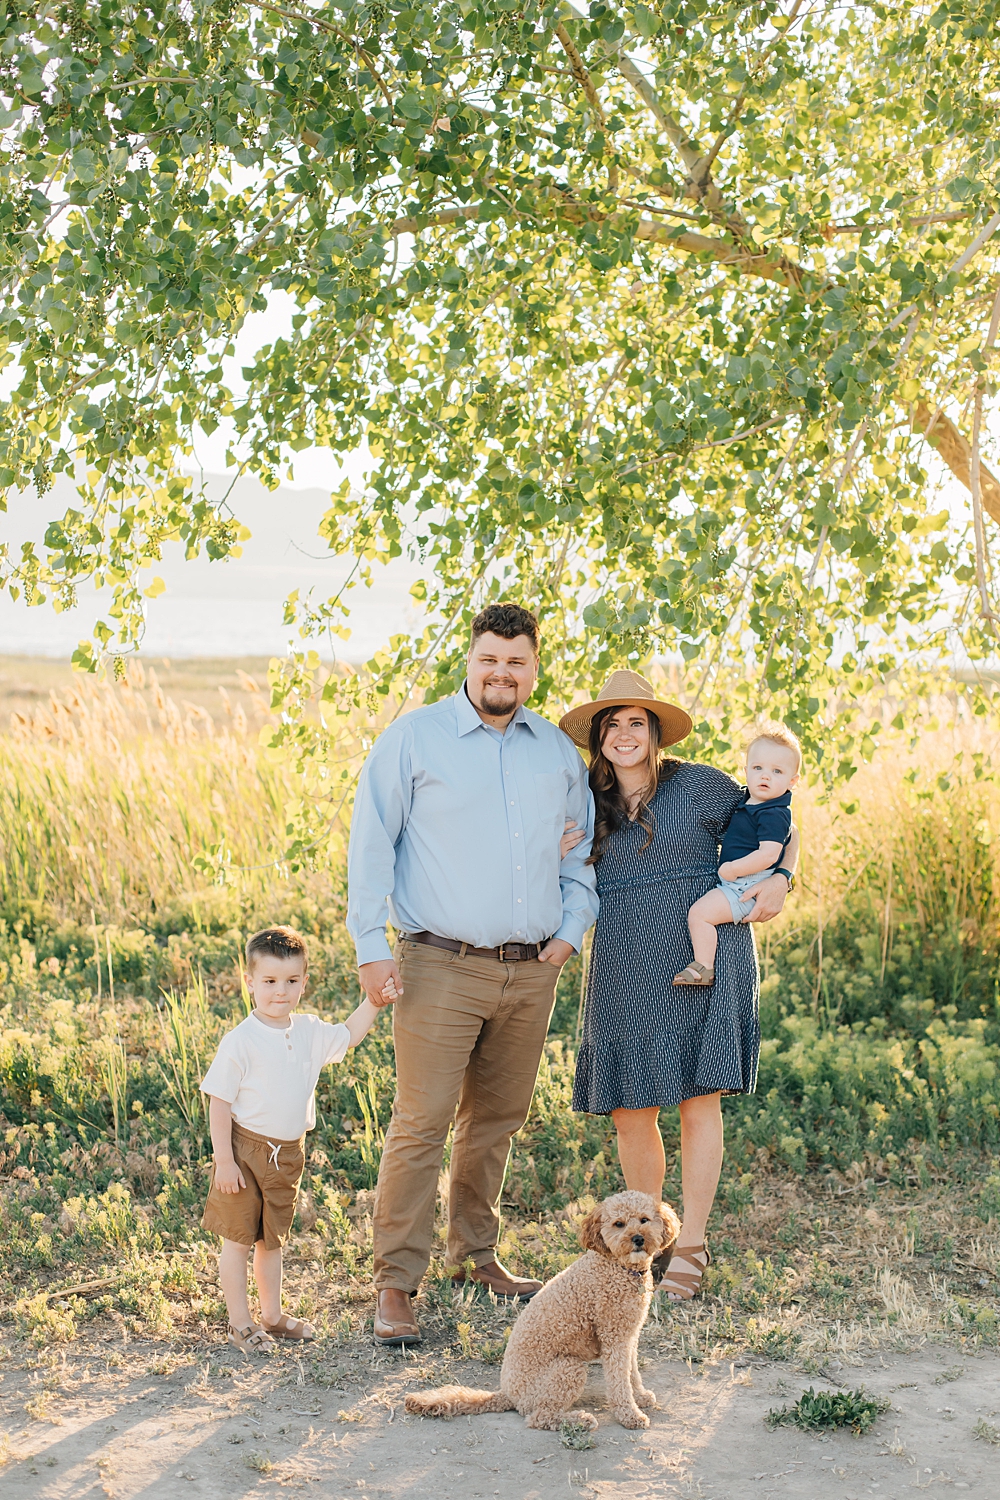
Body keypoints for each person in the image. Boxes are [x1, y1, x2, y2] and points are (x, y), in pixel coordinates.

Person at [347, 602, 598, 1347]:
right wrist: (369, 943)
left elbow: (581, 853)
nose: (501, 673)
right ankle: (396, 1284)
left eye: (516, 662)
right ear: (470, 661)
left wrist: (570, 933)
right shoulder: (414, 738)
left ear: (534, 669)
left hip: (530, 970)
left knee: (495, 1122)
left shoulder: (555, 752)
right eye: (490, 659)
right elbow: (372, 842)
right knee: (421, 1123)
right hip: (438, 963)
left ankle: (475, 1256)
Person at [559, 672, 797, 1302]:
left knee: (697, 1100)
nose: (624, 734)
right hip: (624, 958)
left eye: (636, 722)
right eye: (612, 724)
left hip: (700, 953)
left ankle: (691, 1244)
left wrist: (782, 880)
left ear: (655, 732)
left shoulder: (696, 785)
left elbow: (778, 818)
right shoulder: (585, 796)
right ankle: (646, 1240)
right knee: (631, 1109)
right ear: (598, 736)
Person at [201, 926, 381, 1352]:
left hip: (287, 1155)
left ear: (304, 982)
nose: (280, 991)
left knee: (272, 1240)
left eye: (290, 980)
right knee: (238, 1240)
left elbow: (349, 1034)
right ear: (249, 982)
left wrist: (375, 1001)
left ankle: (272, 1315)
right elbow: (219, 1103)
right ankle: (239, 1323)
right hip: (244, 1152)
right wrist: (224, 1160)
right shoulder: (240, 1041)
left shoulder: (309, 1031)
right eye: (269, 981)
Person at [674, 723, 800, 986]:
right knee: (701, 913)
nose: (765, 777)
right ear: (746, 771)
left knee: (700, 915)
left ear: (792, 781)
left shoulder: (774, 813)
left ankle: (703, 968)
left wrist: (733, 869)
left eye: (777, 771)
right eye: (758, 768)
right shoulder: (753, 800)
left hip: (746, 885)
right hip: (740, 883)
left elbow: (769, 854)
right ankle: (703, 966)